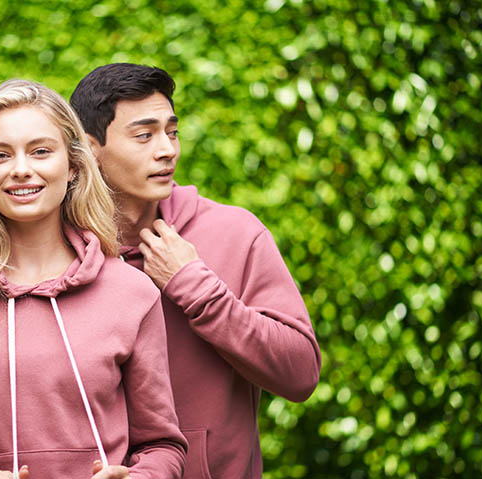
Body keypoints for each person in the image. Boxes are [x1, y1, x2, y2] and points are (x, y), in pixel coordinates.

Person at [0, 79, 187, 479]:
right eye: (0, 155)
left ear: (73, 166)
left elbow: (163, 446)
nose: (21, 170)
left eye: (41, 151)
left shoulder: (131, 292)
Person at [70, 64, 321, 478]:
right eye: (144, 135)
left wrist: (195, 286)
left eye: (172, 131)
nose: (167, 149)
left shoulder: (236, 233)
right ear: (89, 147)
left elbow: (300, 374)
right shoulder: (54, 252)